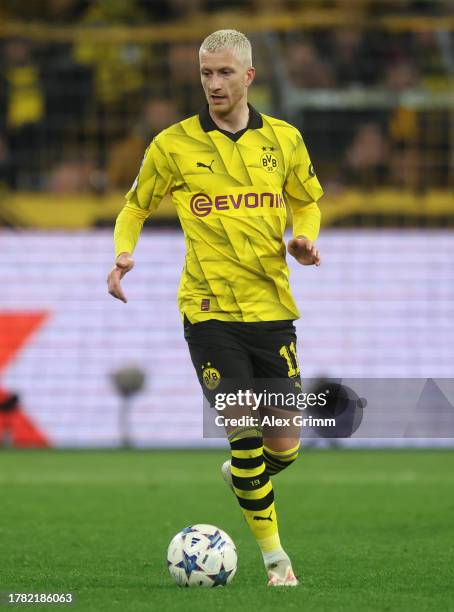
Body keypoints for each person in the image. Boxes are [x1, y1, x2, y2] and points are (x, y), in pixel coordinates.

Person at [107, 29, 323, 587]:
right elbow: (134, 206)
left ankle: (241, 475)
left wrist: (304, 239)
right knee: (243, 433)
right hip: (208, 314)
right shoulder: (172, 145)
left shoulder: (284, 139)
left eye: (225, 73)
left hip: (272, 309)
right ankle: (278, 563)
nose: (214, 84)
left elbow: (307, 201)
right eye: (206, 74)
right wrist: (123, 254)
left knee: (285, 447)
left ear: (248, 76)